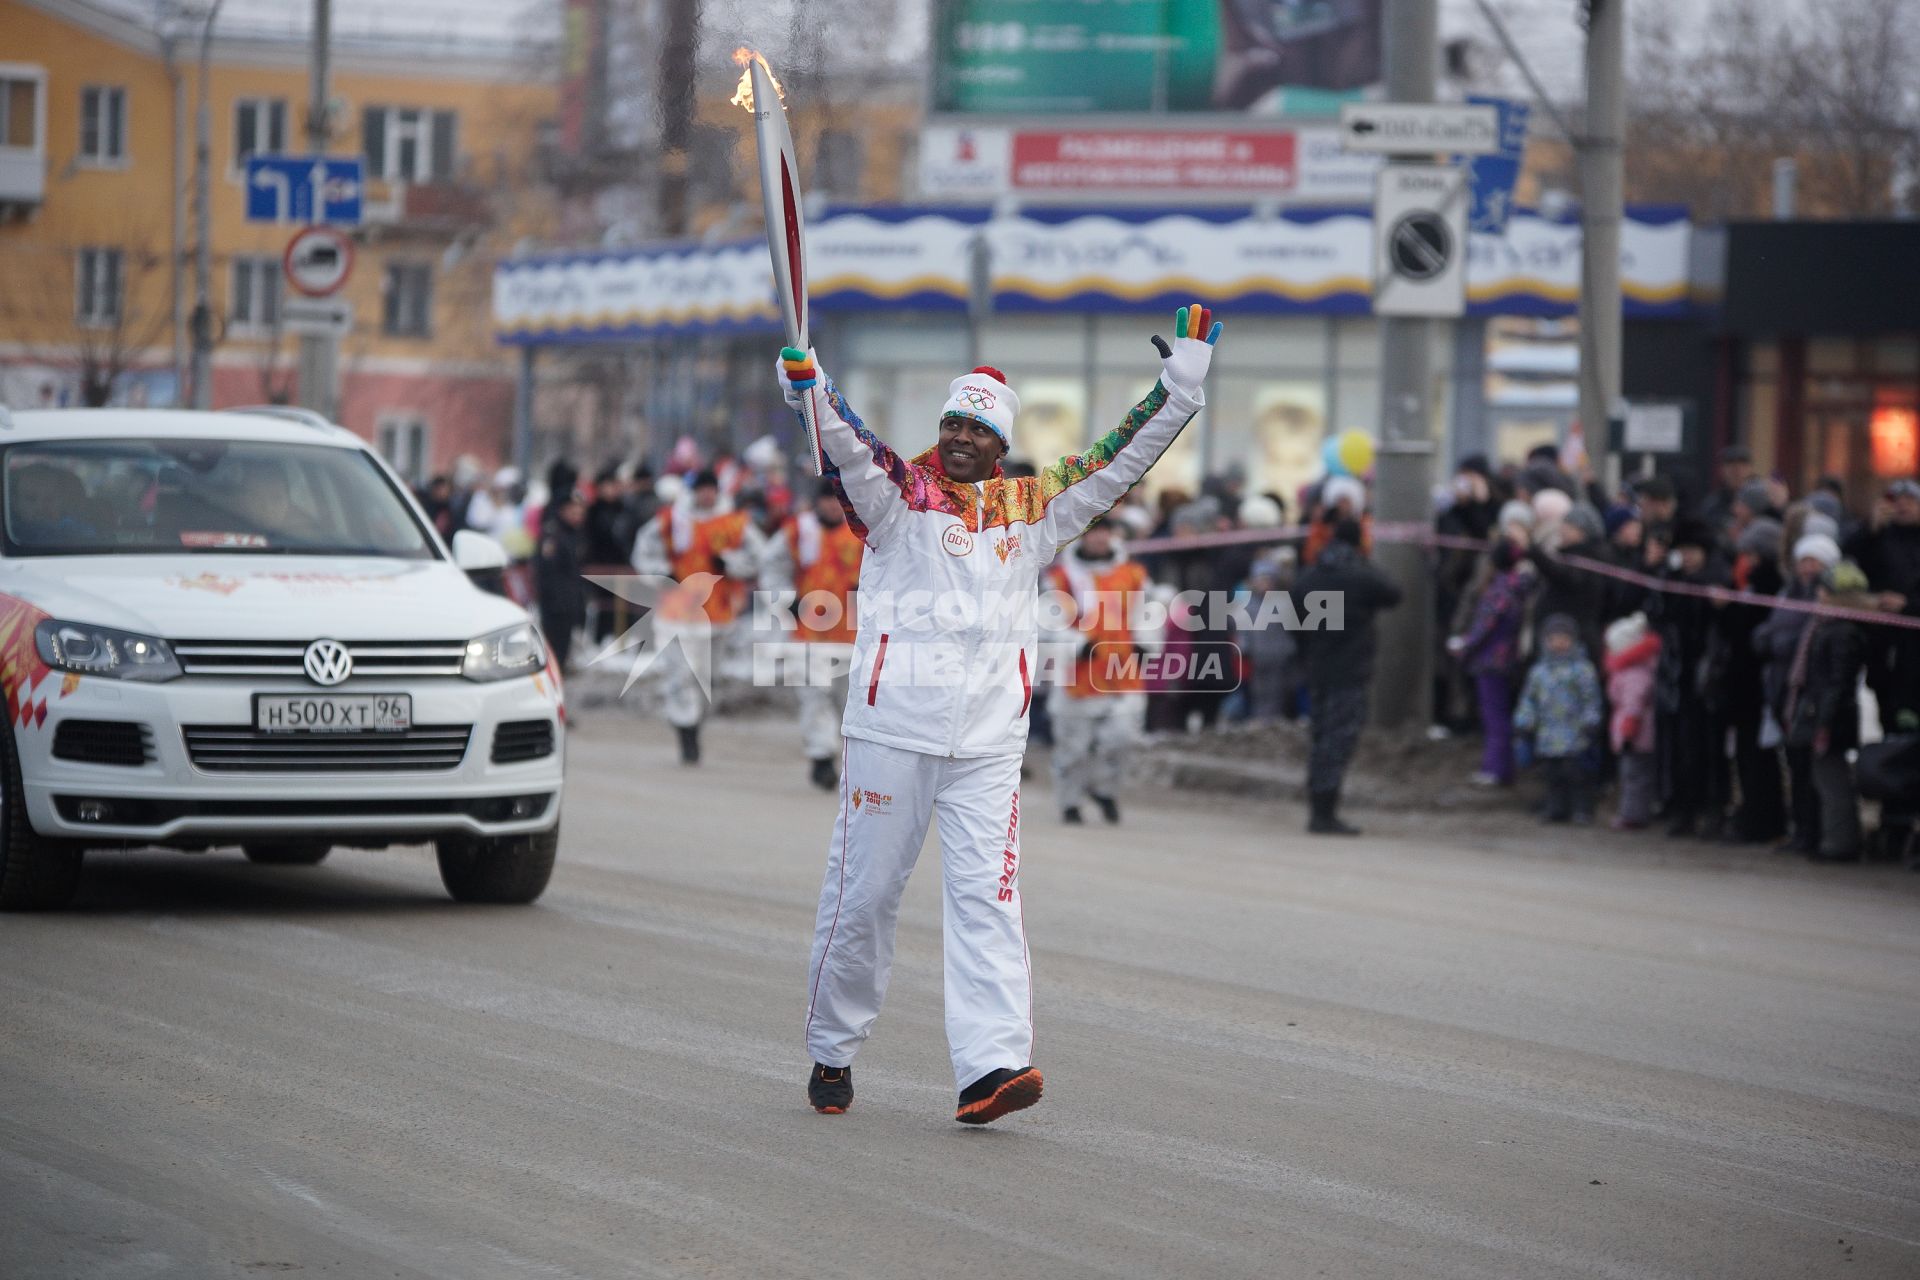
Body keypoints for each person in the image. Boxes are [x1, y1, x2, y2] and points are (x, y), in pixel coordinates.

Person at [778, 303, 1224, 1124]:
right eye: (950, 423)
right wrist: (812, 391)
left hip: (987, 746)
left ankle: (990, 1068)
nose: (958, 438)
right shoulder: (897, 497)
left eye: (975, 430)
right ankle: (833, 1049)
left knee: (989, 901)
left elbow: (1116, 462)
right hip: (892, 734)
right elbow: (849, 444)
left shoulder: (1036, 509)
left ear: (1001, 445)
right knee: (865, 897)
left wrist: (1177, 387)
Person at [630, 469, 765, 764]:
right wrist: (660, 572)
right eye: (701, 489)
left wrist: (731, 564)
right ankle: (686, 733)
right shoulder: (671, 520)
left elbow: (758, 557)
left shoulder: (734, 522)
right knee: (681, 676)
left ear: (717, 492)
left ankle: (694, 722)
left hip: (717, 614)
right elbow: (643, 549)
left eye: (711, 489)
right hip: (676, 612)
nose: (707, 494)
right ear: (694, 492)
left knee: (708, 680)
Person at [1291, 517, 1403, 835]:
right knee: (1338, 740)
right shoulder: (1360, 575)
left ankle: (1319, 807)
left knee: (1321, 737)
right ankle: (1324, 813)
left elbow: (1292, 621)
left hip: (1318, 668)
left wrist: (1307, 653)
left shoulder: (1310, 575)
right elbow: (1394, 593)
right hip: (1350, 669)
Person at [1044, 516, 1153, 825]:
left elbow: (1147, 611)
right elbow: (1049, 620)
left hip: (1122, 672)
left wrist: (1146, 642)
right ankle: (1070, 802)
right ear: (1083, 537)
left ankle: (1103, 789)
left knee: (1124, 737)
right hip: (1079, 673)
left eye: (1105, 532)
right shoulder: (1063, 577)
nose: (1100, 538)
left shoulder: (1132, 573)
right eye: (1094, 533)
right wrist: (1077, 645)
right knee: (1073, 746)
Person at [762, 479, 865, 790]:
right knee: (814, 697)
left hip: (854, 635)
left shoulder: (863, 532)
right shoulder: (798, 531)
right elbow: (772, 565)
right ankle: (821, 758)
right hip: (809, 634)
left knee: (849, 701)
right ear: (817, 502)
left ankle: (852, 762)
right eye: (827, 500)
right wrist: (785, 599)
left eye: (837, 500)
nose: (832, 506)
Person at [1782, 562, 1875, 862]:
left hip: (1830, 717)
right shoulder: (1827, 625)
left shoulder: (1842, 631)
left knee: (1833, 782)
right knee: (1823, 780)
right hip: (1820, 712)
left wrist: (1824, 722)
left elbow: (1838, 682)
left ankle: (1840, 843)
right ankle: (1831, 838)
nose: (1818, 594)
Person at [1449, 538, 1533, 786]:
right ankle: (1501, 767)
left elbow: (1483, 626)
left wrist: (1464, 646)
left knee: (1494, 716)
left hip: (1491, 660)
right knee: (1500, 715)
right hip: (1507, 658)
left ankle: (1496, 768)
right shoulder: (1518, 586)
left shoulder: (1498, 591)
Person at [1514, 613, 1605, 824]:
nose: (1559, 643)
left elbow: (1591, 699)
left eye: (1564, 638)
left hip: (1575, 732)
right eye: (1554, 638)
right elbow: (1529, 700)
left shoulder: (1582, 670)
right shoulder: (1539, 672)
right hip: (1548, 734)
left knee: (1577, 774)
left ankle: (1582, 809)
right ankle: (1555, 808)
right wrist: (1523, 722)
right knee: (1552, 774)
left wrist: (1592, 721)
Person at [1605, 612, 1661, 829]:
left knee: (1634, 777)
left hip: (1637, 736)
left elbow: (1633, 704)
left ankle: (1633, 815)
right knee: (1634, 776)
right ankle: (1634, 811)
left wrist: (1628, 729)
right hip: (1635, 735)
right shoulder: (1629, 670)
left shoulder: (1635, 673)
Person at [535, 492, 587, 671]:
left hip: (569, 604)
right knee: (554, 652)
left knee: (562, 653)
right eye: (573, 510)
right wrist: (558, 603)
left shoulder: (573, 533)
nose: (578, 515)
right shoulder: (553, 534)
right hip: (555, 606)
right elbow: (548, 572)